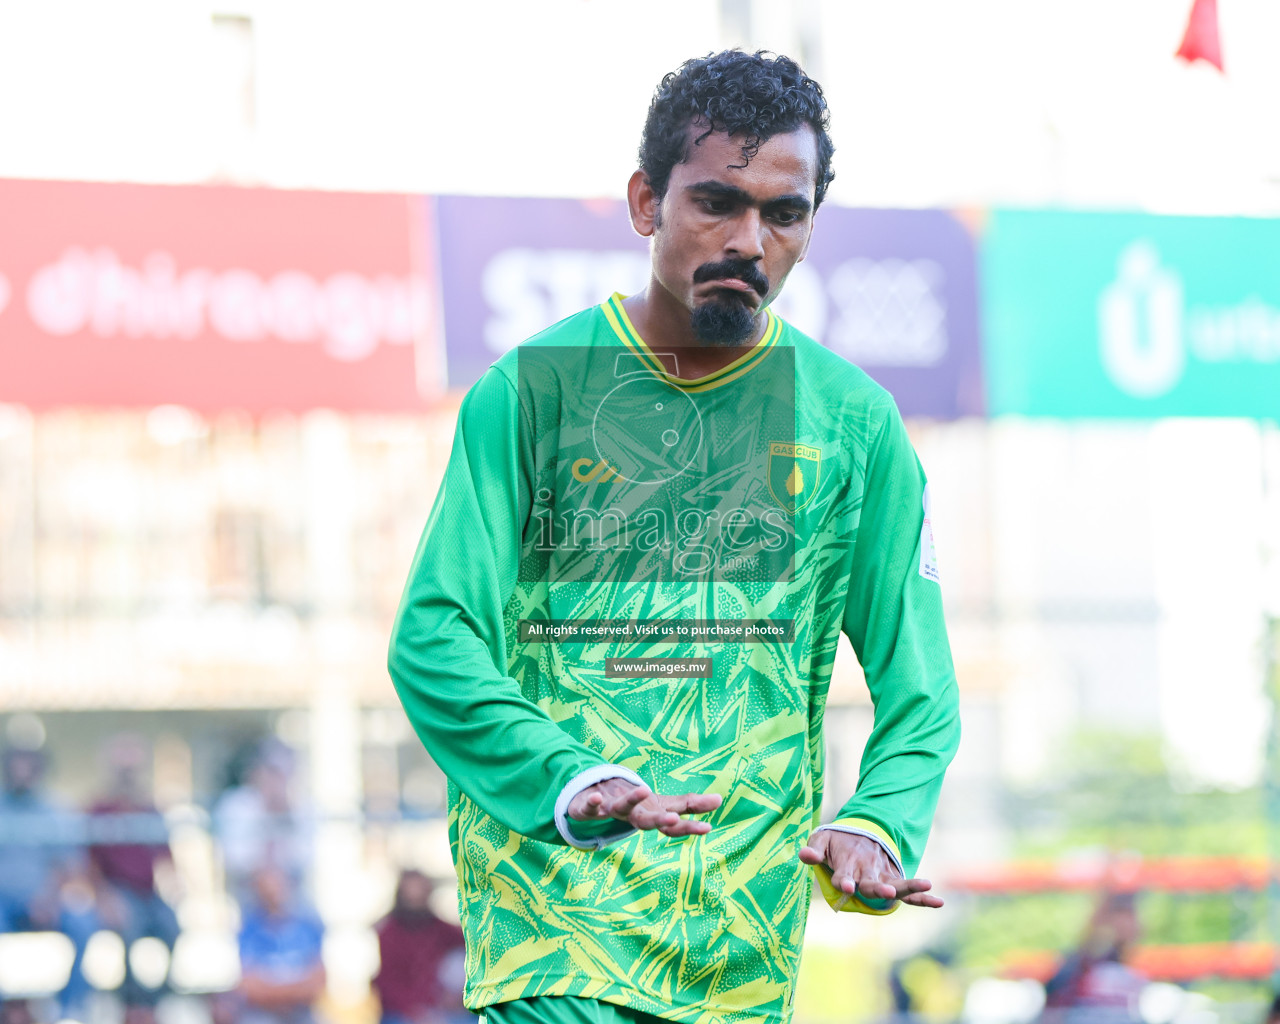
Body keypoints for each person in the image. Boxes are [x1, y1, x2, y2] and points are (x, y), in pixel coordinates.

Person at [389, 49, 960, 1024]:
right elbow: (433, 636)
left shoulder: (854, 425)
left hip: (739, 968)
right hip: (554, 945)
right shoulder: (532, 393)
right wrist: (574, 780)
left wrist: (877, 821)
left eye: (785, 213)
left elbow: (923, 693)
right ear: (645, 202)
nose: (750, 238)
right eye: (716, 203)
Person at [0, 745, 99, 1023]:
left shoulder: (54, 809)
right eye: (15, 764)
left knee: (84, 923)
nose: (21, 772)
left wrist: (50, 900)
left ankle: (68, 1010)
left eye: (28, 766)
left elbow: (69, 864)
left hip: (40, 902)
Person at [87, 734, 180, 1018]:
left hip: (149, 893)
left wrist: (179, 889)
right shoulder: (98, 810)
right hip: (117, 891)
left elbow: (168, 859)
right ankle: (129, 1002)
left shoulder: (151, 810)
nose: (128, 775)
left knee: (172, 926)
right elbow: (86, 862)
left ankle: (158, 1000)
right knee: (129, 928)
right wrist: (103, 897)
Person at [214, 738, 313, 907]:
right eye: (273, 771)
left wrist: (285, 815)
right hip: (248, 895)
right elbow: (235, 859)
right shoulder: (236, 806)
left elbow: (307, 858)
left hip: (293, 898)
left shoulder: (304, 808)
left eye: (285, 772)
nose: (279, 780)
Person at [373, 870, 467, 1024]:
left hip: (440, 1010)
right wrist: (414, 1010)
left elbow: (466, 948)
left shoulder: (441, 930)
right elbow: (388, 982)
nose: (415, 899)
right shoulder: (388, 933)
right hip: (401, 1013)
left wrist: (454, 995)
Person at [235, 865, 325, 1024]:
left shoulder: (309, 927)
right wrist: (293, 991)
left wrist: (275, 991)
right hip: (262, 1014)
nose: (273, 894)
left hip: (303, 1013)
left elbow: (318, 983)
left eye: (277, 886)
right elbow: (249, 987)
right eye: (266, 889)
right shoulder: (248, 930)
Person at [1041, 892, 1148, 1024]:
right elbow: (1056, 1002)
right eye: (1124, 917)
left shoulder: (1127, 962)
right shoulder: (1088, 960)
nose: (1130, 925)